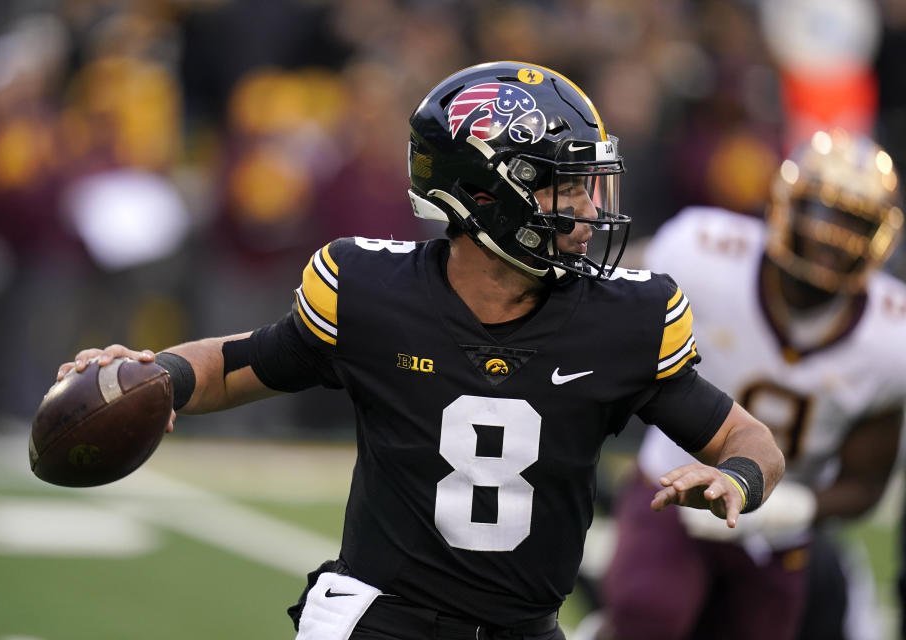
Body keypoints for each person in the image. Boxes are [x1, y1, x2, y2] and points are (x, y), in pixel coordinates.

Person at [53, 62, 784, 640]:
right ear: (486, 194)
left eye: (593, 186)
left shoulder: (624, 319)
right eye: (566, 188)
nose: (592, 212)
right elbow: (238, 363)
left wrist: (741, 478)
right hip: (377, 620)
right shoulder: (373, 294)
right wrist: (151, 377)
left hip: (527, 629)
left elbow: (747, 438)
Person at [598, 128, 906, 640]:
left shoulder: (889, 337)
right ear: (786, 204)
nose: (833, 239)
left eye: (853, 223)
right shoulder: (705, 252)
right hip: (671, 487)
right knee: (648, 615)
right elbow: (606, 303)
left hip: (777, 527)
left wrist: (799, 507)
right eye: (825, 213)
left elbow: (866, 481)